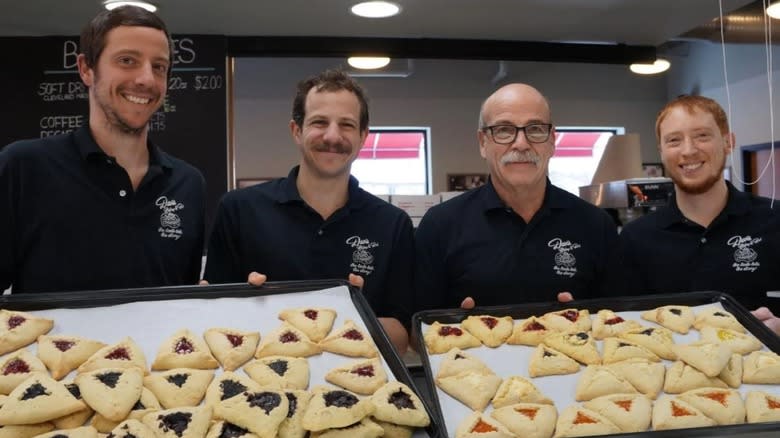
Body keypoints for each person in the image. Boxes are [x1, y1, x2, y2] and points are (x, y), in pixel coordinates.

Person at [204, 69, 414, 352]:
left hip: (360, 387)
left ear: (363, 136)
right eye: (319, 122)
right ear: (296, 131)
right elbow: (213, 318)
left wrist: (355, 315)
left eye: (347, 125)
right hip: (262, 386)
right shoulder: (239, 210)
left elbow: (403, 338)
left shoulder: (392, 223)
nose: (332, 136)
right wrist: (249, 306)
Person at [0, 6, 205, 294]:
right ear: (86, 69)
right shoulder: (23, 167)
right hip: (53, 341)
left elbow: (181, 298)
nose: (146, 79)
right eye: (127, 60)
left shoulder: (188, 184)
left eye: (158, 66)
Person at [412, 83, 618, 315]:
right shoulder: (440, 225)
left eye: (535, 128)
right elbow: (416, 328)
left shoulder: (596, 225)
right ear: (483, 142)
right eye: (503, 130)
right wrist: (452, 327)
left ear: (552, 141)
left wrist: (588, 319)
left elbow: (618, 322)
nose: (521, 143)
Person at [616, 95, 780, 334]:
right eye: (674, 140)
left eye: (702, 136)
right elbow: (626, 324)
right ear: (661, 152)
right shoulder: (635, 239)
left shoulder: (774, 220)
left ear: (728, 142)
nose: (688, 150)